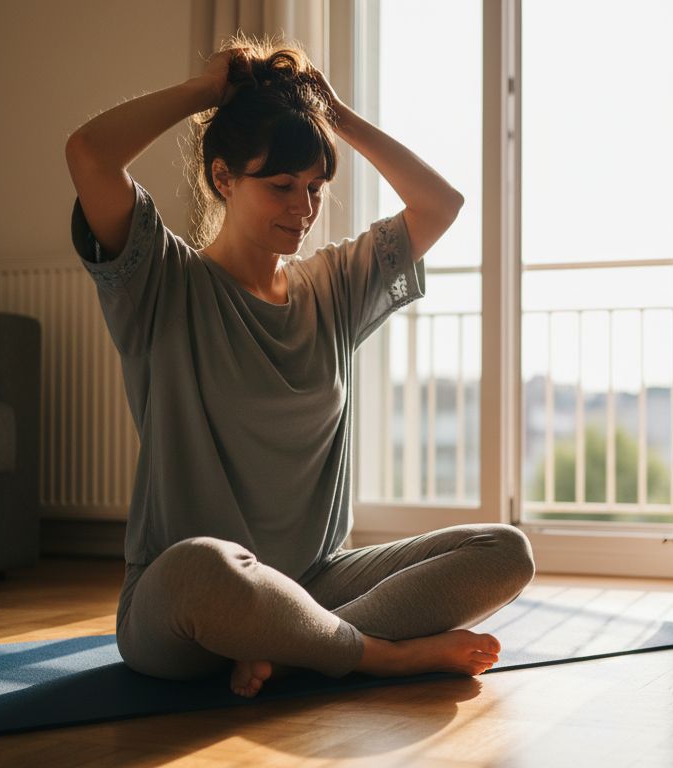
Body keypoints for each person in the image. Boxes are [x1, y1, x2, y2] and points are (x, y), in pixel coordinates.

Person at [64, 36, 534, 698]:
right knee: (205, 565)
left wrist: (329, 110)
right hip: (190, 605)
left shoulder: (335, 286)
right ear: (223, 178)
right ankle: (372, 654)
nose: (304, 208)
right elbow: (88, 154)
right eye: (282, 186)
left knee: (504, 551)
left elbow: (440, 204)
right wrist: (206, 92)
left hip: (317, 581)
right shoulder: (161, 282)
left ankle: (293, 651)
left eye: (315, 188)